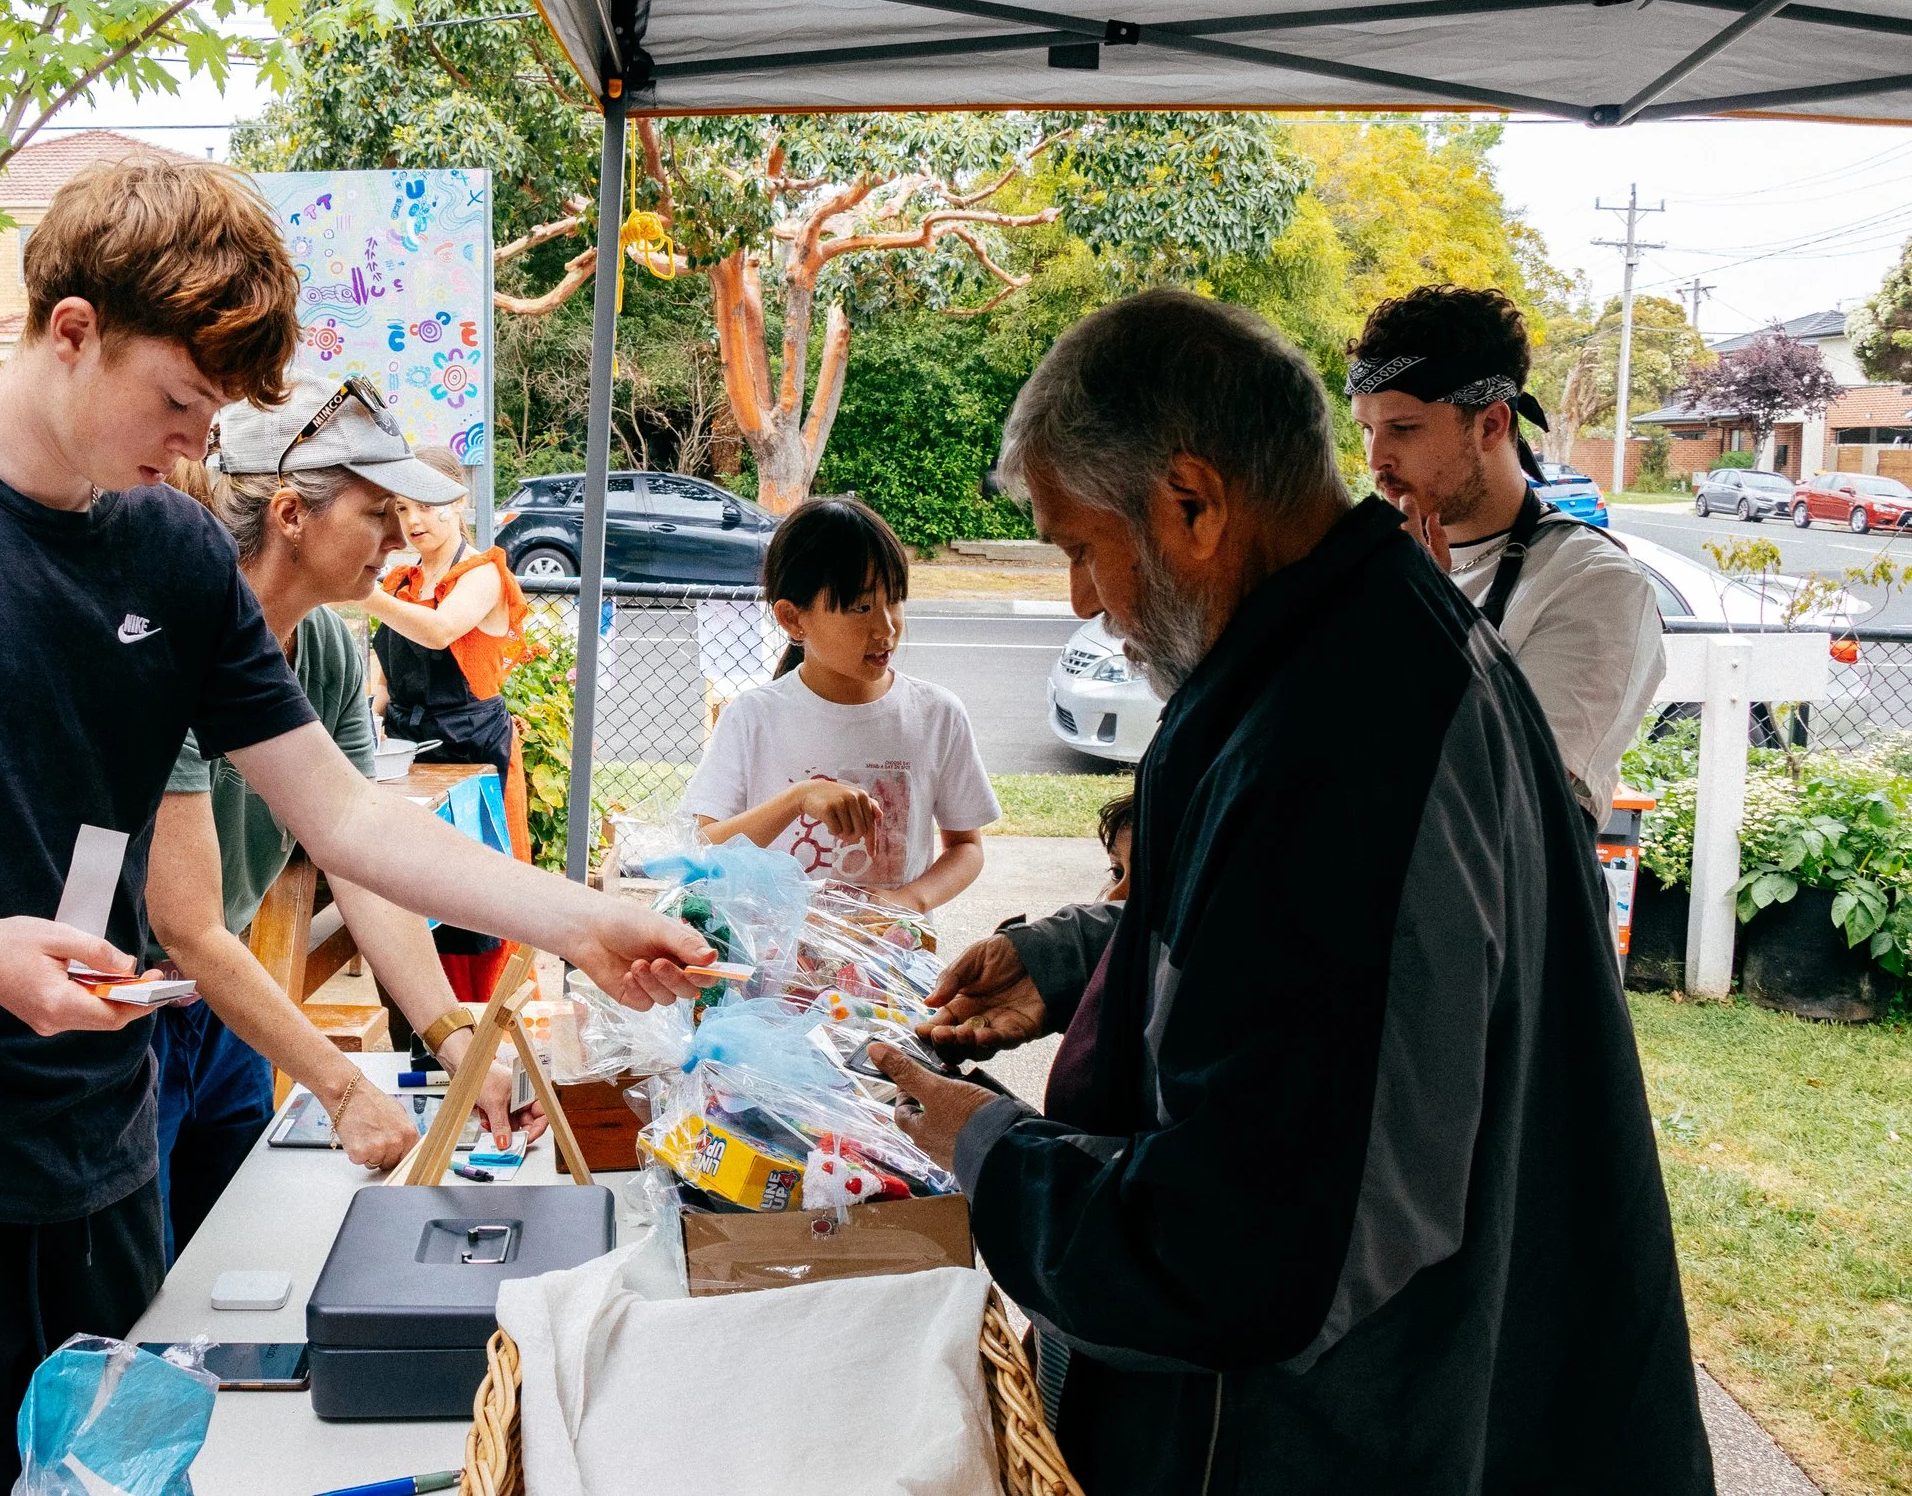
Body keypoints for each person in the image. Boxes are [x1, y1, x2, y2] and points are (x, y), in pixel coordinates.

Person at [0, 154, 706, 1496]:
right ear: (72, 330)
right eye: (181, 400)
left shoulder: (176, 553)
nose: (198, 442)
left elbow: (342, 812)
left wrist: (585, 919)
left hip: (101, 1170)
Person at [875, 288, 1710, 1494]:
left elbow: (1247, 1253)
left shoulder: (1348, 739)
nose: (1080, 599)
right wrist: (1075, 958)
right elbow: (1278, 949)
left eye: (1076, 545)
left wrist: (988, 1147)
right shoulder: (1332, 650)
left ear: (1193, 503)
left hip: (1354, 1430)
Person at [140, 377, 543, 1265]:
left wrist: (447, 1033)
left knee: (230, 1254)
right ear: (291, 513)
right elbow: (187, 924)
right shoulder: (170, 642)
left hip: (227, 1009)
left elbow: (359, 851)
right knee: (148, 1285)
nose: (402, 538)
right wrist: (337, 1083)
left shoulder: (321, 644)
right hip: (121, 1016)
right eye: (378, 513)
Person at [1348, 285, 1667, 826]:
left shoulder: (1595, 586)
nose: (1378, 458)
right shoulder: (1363, 566)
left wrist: (1427, 623)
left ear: (1492, 425)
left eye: (1404, 428)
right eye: (1367, 430)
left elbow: (1510, 812)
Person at [682, 495, 999, 914]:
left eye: (895, 600)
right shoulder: (753, 718)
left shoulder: (937, 715)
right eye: (861, 607)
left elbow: (966, 847)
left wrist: (907, 901)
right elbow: (706, 849)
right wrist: (799, 798)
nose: (886, 627)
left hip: (891, 963)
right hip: (778, 968)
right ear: (794, 619)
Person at [361, 445, 534, 1001]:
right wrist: (371, 723)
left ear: (460, 502)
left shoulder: (483, 573)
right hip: (410, 761)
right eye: (403, 509)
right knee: (409, 902)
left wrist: (358, 589)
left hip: (475, 756)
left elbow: (438, 631)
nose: (415, 522)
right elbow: (382, 679)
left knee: (478, 906)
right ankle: (416, 1036)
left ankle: (483, 1047)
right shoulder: (401, 582)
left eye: (429, 506)